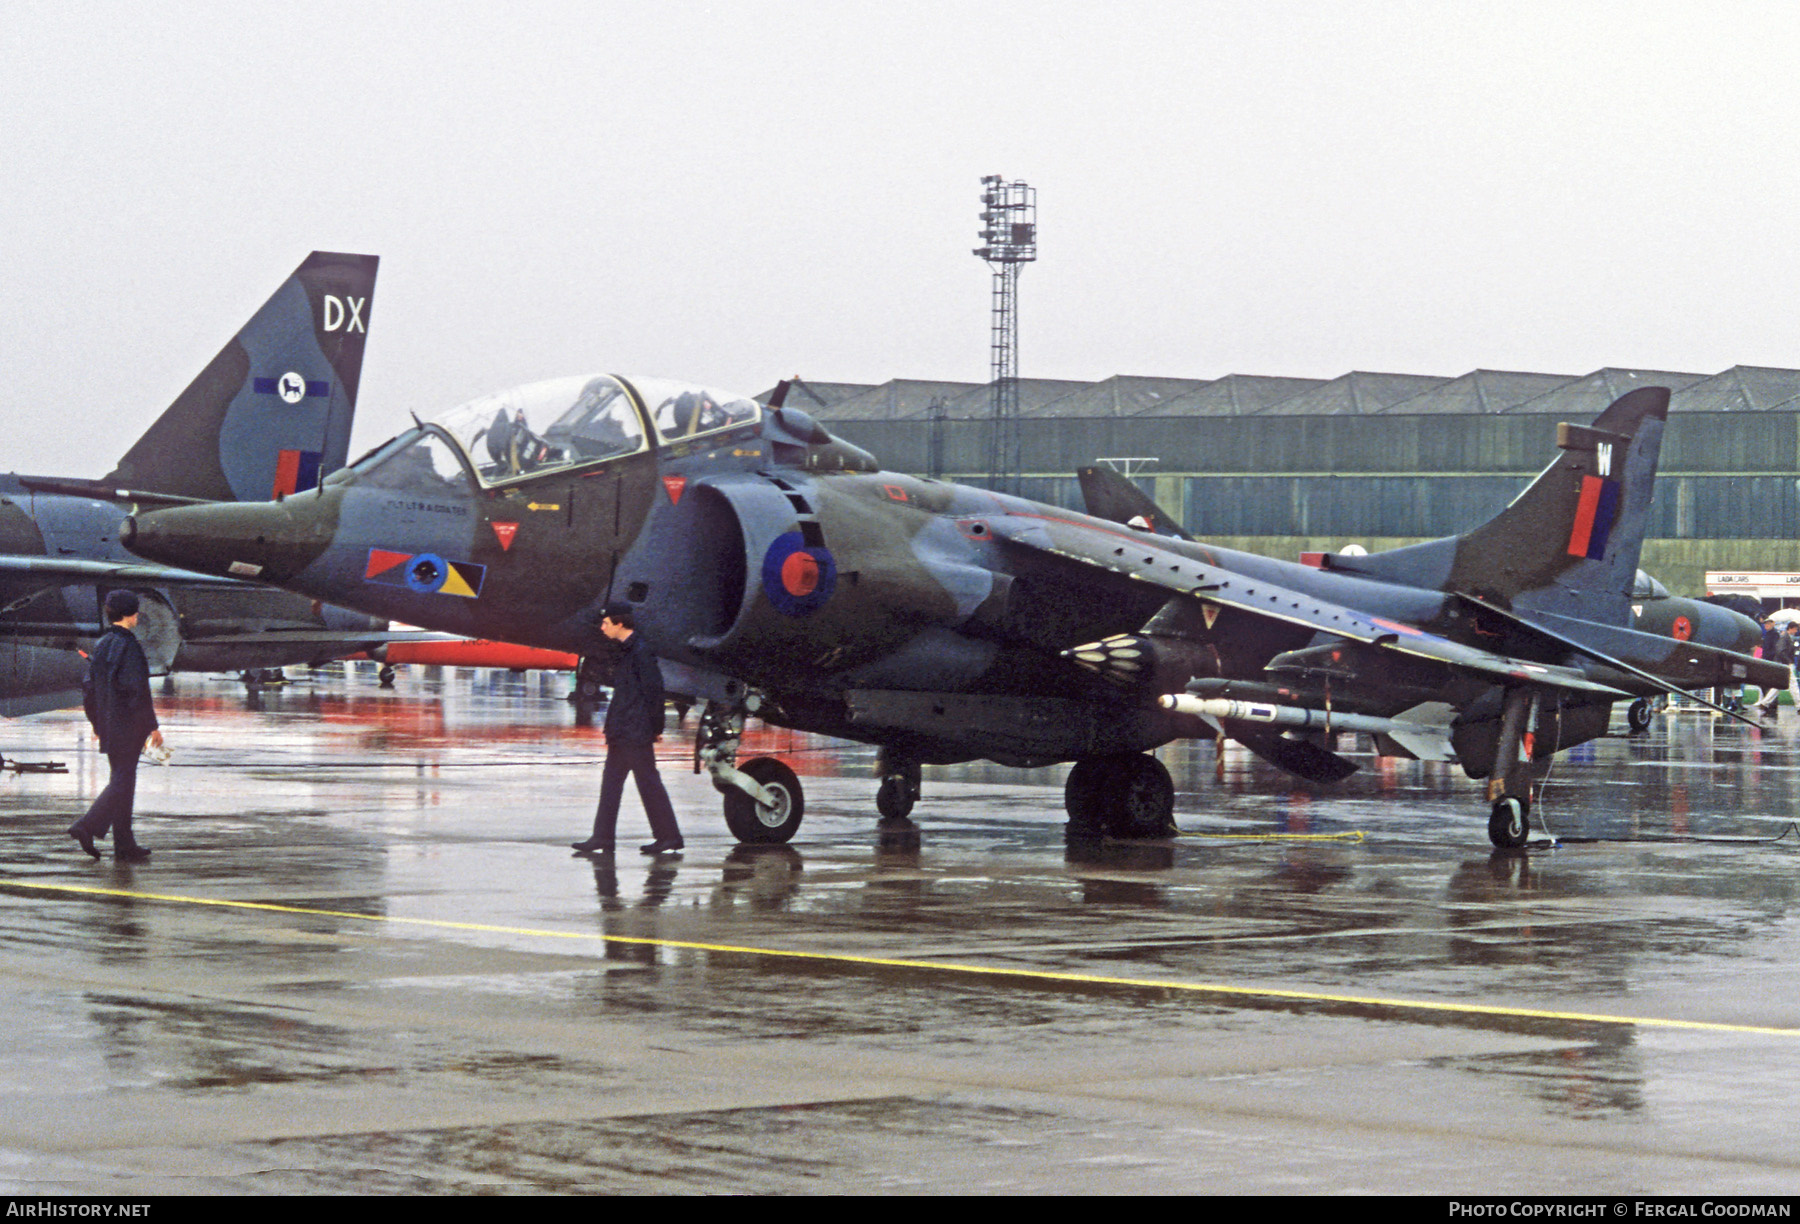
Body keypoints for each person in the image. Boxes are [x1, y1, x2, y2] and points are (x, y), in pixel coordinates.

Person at [571, 606, 684, 857]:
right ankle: (602, 837)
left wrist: (656, 727)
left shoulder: (641, 652)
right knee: (611, 784)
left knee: (649, 784)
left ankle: (669, 836)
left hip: (636, 731)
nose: (603, 627)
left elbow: (654, 691)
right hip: (623, 730)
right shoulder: (626, 651)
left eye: (606, 623)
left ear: (620, 624)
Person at [68, 590, 163, 862]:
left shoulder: (103, 644)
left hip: (108, 724)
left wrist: (97, 722)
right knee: (123, 781)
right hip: (128, 725)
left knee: (122, 780)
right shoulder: (129, 647)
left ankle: (124, 844)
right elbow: (137, 690)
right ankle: (86, 825)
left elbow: (89, 688)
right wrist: (152, 726)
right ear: (131, 615)